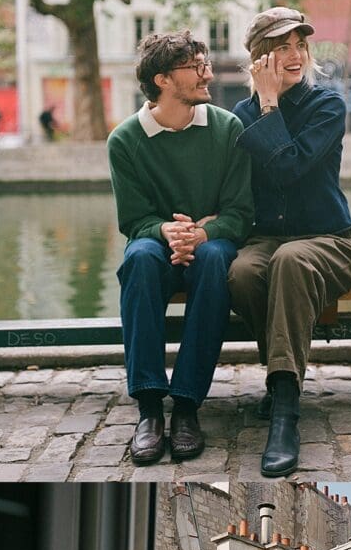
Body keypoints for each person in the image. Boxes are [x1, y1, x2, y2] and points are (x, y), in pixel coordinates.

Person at [228, 8, 351, 479]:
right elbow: (235, 190)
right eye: (280, 47)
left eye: (299, 45)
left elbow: (290, 167)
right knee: (242, 272)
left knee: (289, 260)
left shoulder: (327, 106)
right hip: (267, 238)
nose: (293, 55)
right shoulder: (239, 116)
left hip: (331, 239)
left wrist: (270, 107)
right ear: (258, 59)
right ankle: (280, 376)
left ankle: (284, 409)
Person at [107, 29, 254, 468]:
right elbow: (134, 221)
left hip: (210, 245)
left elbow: (241, 211)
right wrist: (168, 231)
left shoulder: (228, 128)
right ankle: (150, 409)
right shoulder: (125, 140)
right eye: (196, 66)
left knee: (212, 261)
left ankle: (187, 405)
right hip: (158, 244)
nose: (207, 73)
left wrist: (204, 234)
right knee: (138, 259)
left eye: (204, 62)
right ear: (163, 80)